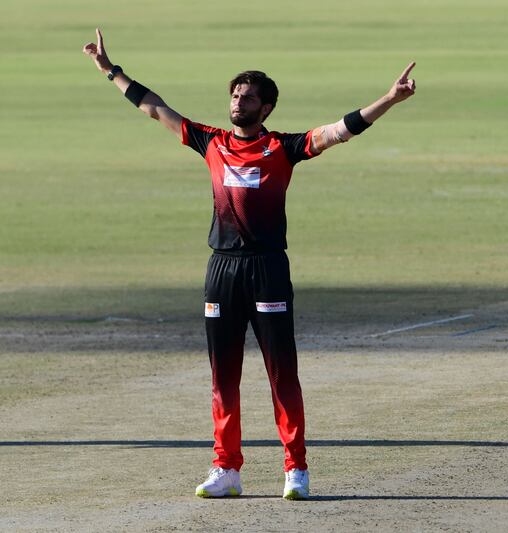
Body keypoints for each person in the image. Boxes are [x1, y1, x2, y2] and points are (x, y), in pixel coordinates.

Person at [82, 28, 416, 499]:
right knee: (223, 373)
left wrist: (388, 99)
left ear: (267, 108)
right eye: (236, 94)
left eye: (249, 97)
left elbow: (341, 130)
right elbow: (154, 107)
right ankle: (227, 469)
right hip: (221, 270)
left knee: (282, 371)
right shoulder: (211, 142)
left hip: (268, 269)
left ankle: (295, 468)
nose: (238, 102)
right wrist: (110, 71)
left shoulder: (284, 148)